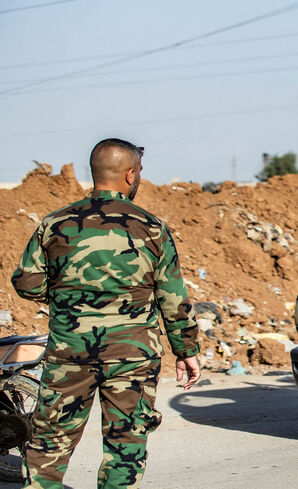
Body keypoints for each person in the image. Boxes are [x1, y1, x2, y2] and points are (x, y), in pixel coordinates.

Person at [11, 138, 201, 489]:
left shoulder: (56, 224)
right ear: (130, 175)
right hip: (133, 355)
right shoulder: (152, 228)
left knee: (50, 444)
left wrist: (68, 297)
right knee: (125, 447)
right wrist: (186, 351)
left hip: (70, 352)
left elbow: (27, 283)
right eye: (139, 172)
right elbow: (172, 299)